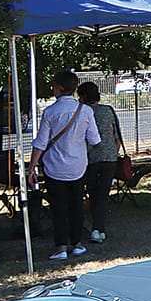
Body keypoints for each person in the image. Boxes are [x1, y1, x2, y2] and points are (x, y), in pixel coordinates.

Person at [30, 70, 99, 261]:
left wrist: (31, 168)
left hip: (54, 167)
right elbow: (94, 139)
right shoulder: (85, 111)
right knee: (76, 205)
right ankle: (77, 243)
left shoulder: (50, 112)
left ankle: (60, 246)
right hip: (78, 165)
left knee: (58, 207)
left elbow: (41, 143)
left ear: (59, 88)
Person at [77, 82, 126, 243]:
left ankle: (96, 228)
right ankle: (99, 228)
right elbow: (116, 136)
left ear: (82, 97)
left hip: (90, 159)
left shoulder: (82, 112)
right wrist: (113, 152)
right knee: (103, 194)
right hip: (109, 158)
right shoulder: (108, 110)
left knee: (93, 193)